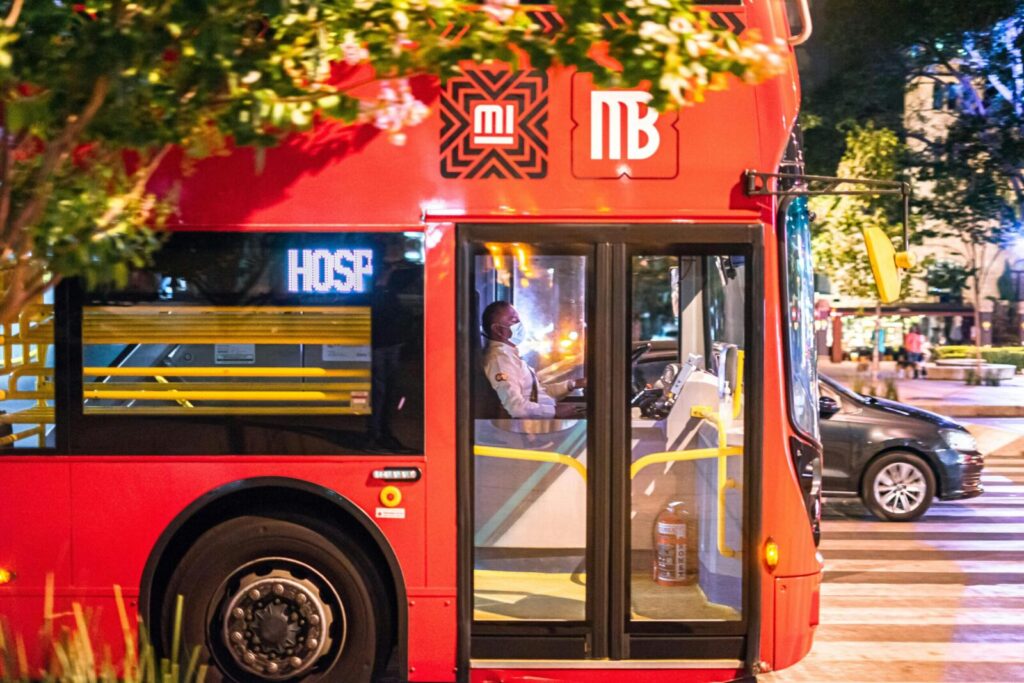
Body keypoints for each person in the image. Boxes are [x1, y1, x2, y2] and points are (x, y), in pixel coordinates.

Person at [480, 301, 586, 419]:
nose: (520, 324)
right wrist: (554, 411)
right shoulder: (500, 360)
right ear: (497, 329)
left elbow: (538, 393)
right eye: (514, 320)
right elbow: (516, 408)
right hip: (527, 430)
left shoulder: (510, 355)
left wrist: (573, 384)